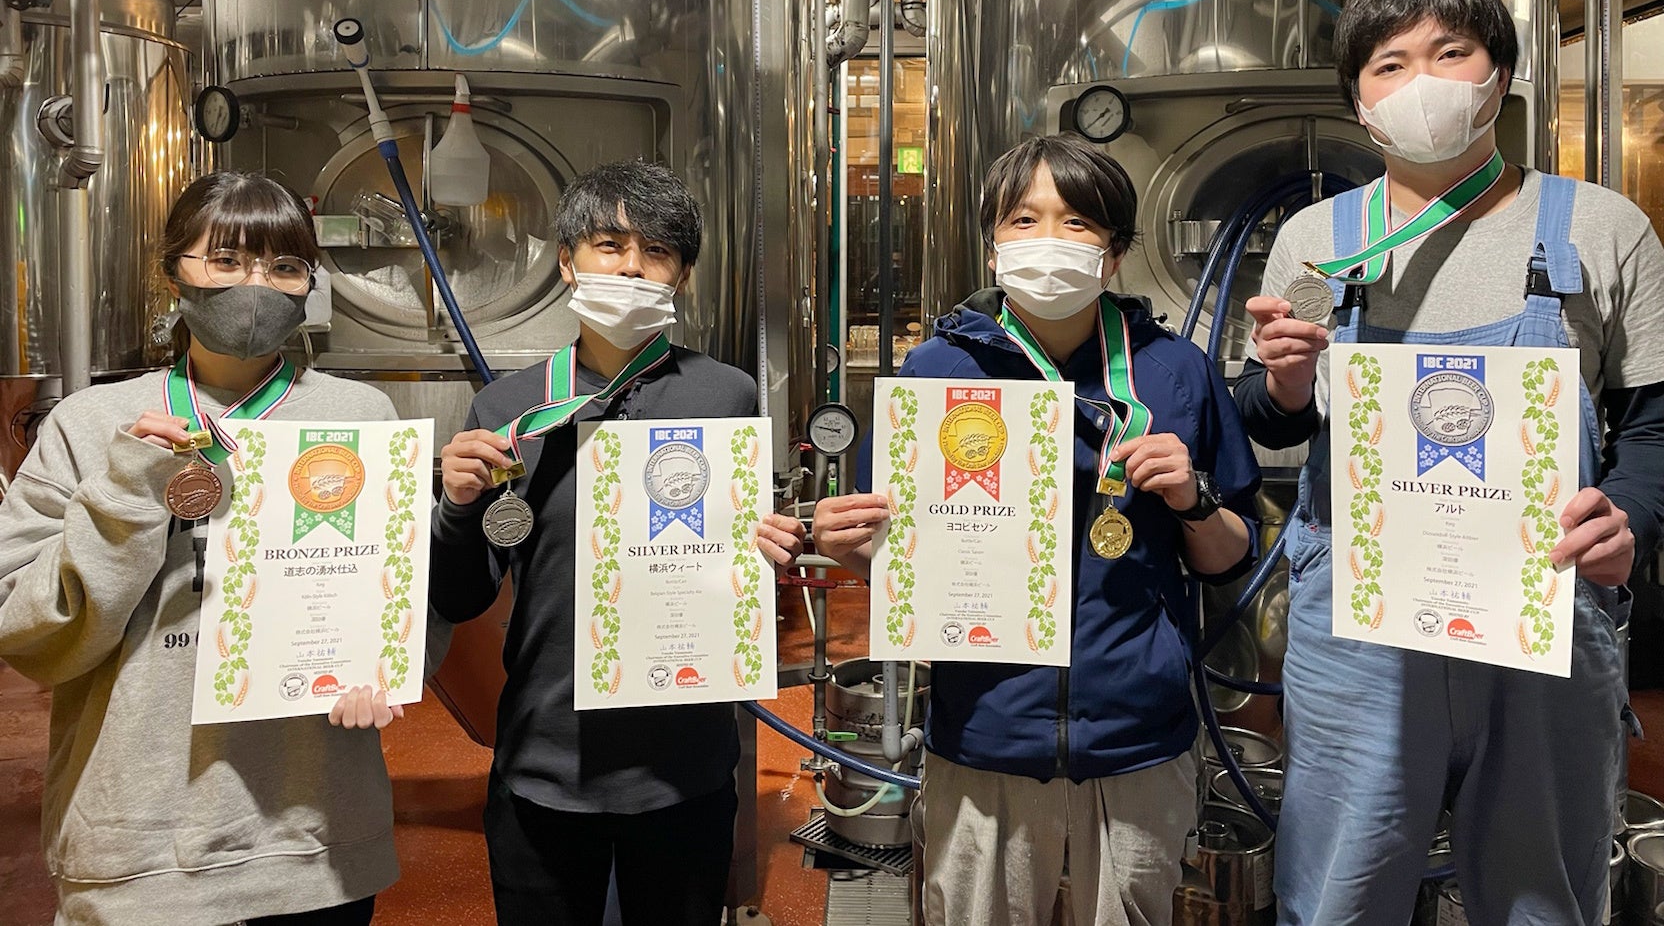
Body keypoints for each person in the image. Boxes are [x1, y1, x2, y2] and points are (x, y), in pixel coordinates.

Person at [1236, 0, 1664, 925]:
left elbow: (1653, 420)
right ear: (1360, 100)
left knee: (1543, 893)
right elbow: (1274, 414)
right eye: (1390, 64)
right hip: (1360, 623)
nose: (1421, 82)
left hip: (1542, 610)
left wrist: (1631, 516)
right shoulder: (1320, 241)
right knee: (1340, 891)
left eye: (1450, 53)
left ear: (1499, 74)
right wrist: (1286, 381)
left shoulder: (1603, 228)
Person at [813, 133, 1262, 926]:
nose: (1048, 240)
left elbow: (1230, 558)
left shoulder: (1175, 372)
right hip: (983, 733)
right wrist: (851, 549)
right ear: (992, 245)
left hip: (1137, 740)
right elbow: (893, 553)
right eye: (1024, 219)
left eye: (1076, 222)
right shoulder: (937, 372)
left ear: (1113, 253)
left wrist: (1193, 499)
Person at [0, 171, 405, 926]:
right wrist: (127, 489)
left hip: (317, 844)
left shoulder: (363, 418)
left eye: (284, 267)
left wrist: (388, 667)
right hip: (140, 850)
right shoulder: (91, 424)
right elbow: (27, 632)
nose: (256, 285)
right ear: (173, 273)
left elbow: (402, 603)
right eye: (226, 260)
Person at [430, 159, 806, 926]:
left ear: (683, 276)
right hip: (546, 757)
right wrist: (458, 508)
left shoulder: (724, 394)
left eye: (657, 251)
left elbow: (735, 565)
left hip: (683, 762)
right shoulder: (508, 408)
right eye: (609, 244)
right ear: (567, 262)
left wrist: (769, 550)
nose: (632, 266)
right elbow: (462, 594)